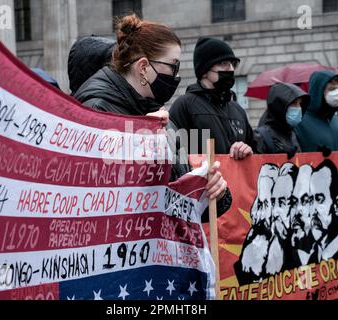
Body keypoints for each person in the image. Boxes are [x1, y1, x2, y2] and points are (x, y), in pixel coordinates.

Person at [73, 14, 231, 218]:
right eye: (173, 66)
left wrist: (212, 192)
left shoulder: (162, 118)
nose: (176, 77)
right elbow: (91, 195)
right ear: (144, 67)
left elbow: (178, 200)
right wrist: (141, 141)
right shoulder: (95, 108)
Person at [169, 37, 254, 159]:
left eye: (232, 64)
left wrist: (247, 151)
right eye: (223, 63)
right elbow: (174, 154)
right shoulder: (186, 106)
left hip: (234, 177)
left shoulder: (237, 109)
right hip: (204, 177)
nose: (230, 69)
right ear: (204, 71)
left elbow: (254, 151)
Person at [309, 159, 338, 262]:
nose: (313, 209)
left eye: (319, 199)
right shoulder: (309, 258)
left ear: (336, 205)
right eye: (311, 201)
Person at [295, 71, 338, 152]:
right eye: (332, 89)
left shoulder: (336, 119)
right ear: (318, 91)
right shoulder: (299, 121)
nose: (337, 93)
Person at [255, 83, 310, 157]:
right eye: (294, 103)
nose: (299, 108)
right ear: (280, 106)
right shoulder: (261, 136)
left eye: (300, 103)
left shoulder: (292, 134)